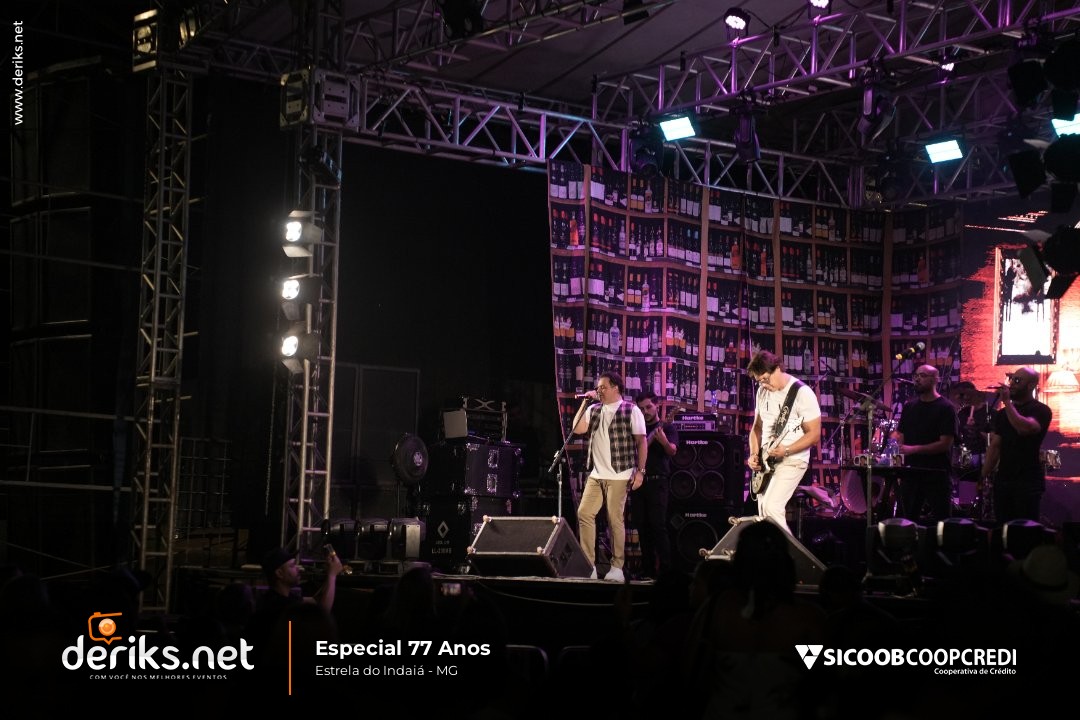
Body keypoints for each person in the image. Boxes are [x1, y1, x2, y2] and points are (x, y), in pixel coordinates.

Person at [572, 370, 647, 582]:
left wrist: (640, 471)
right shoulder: (594, 409)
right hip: (597, 474)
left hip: (620, 474)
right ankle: (589, 566)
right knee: (584, 513)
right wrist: (585, 402)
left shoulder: (631, 410)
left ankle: (617, 567)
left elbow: (641, 442)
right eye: (598, 388)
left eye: (603, 387)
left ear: (616, 387)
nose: (599, 391)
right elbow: (577, 429)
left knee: (615, 519)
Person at [741, 350, 822, 534]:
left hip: (792, 460)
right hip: (766, 460)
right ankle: (773, 551)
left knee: (772, 507)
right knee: (763, 513)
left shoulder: (802, 393)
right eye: (759, 381)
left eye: (765, 379)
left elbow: (814, 435)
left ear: (777, 368)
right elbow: (757, 428)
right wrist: (753, 454)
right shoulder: (762, 391)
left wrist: (786, 450)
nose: (764, 384)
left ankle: (788, 551)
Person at [245, 545, 343, 659]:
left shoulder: (285, 597)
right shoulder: (280, 605)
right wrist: (332, 575)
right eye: (292, 566)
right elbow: (323, 611)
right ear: (279, 573)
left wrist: (330, 573)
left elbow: (316, 602)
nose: (298, 568)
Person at [980, 367, 1052, 522]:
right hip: (1004, 479)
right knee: (1003, 526)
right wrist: (983, 475)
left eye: (1017, 380)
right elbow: (996, 446)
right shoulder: (1002, 414)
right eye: (1011, 379)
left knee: (1025, 527)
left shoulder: (1040, 410)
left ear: (1031, 385)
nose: (1011, 383)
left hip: (1027, 480)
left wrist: (1007, 402)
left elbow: (1024, 429)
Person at [892, 365, 958, 522]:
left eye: (922, 375)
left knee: (942, 521)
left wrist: (914, 449)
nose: (917, 379)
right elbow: (901, 434)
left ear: (935, 379)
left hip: (937, 473)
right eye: (916, 375)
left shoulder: (946, 408)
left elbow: (945, 444)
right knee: (906, 520)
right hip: (911, 473)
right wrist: (894, 444)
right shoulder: (909, 407)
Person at [633, 390, 679, 579]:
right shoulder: (637, 430)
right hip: (638, 483)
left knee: (658, 527)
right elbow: (634, 452)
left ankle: (666, 572)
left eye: (648, 407)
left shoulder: (667, 428)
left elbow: (672, 451)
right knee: (642, 527)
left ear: (657, 405)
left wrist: (664, 441)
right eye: (641, 409)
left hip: (657, 482)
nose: (645, 412)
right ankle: (648, 570)